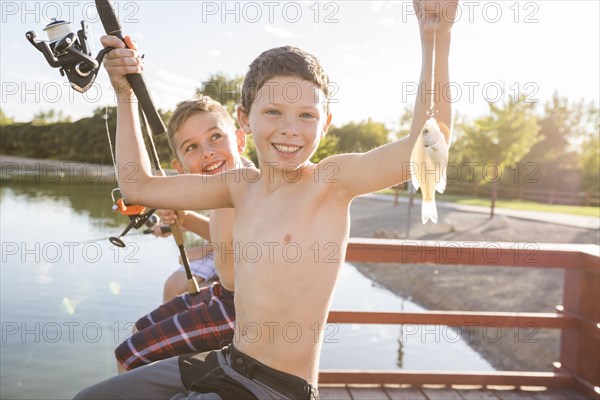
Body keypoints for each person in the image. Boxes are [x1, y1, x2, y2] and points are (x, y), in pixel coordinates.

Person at [75, 1, 456, 398]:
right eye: (273, 111)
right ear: (244, 118)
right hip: (228, 360)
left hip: (277, 387)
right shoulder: (240, 185)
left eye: (306, 115)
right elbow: (139, 186)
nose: (290, 130)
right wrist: (124, 92)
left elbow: (428, 148)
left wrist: (436, 38)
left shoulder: (329, 182)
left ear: (325, 122)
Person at [114, 96, 253, 372]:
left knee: (128, 356)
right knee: (140, 328)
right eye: (192, 147)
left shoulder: (245, 183)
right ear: (180, 168)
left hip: (245, 310)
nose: (208, 152)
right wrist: (185, 218)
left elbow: (136, 185)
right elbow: (224, 240)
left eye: (215, 137)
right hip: (225, 295)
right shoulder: (224, 183)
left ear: (239, 140)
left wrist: (125, 93)